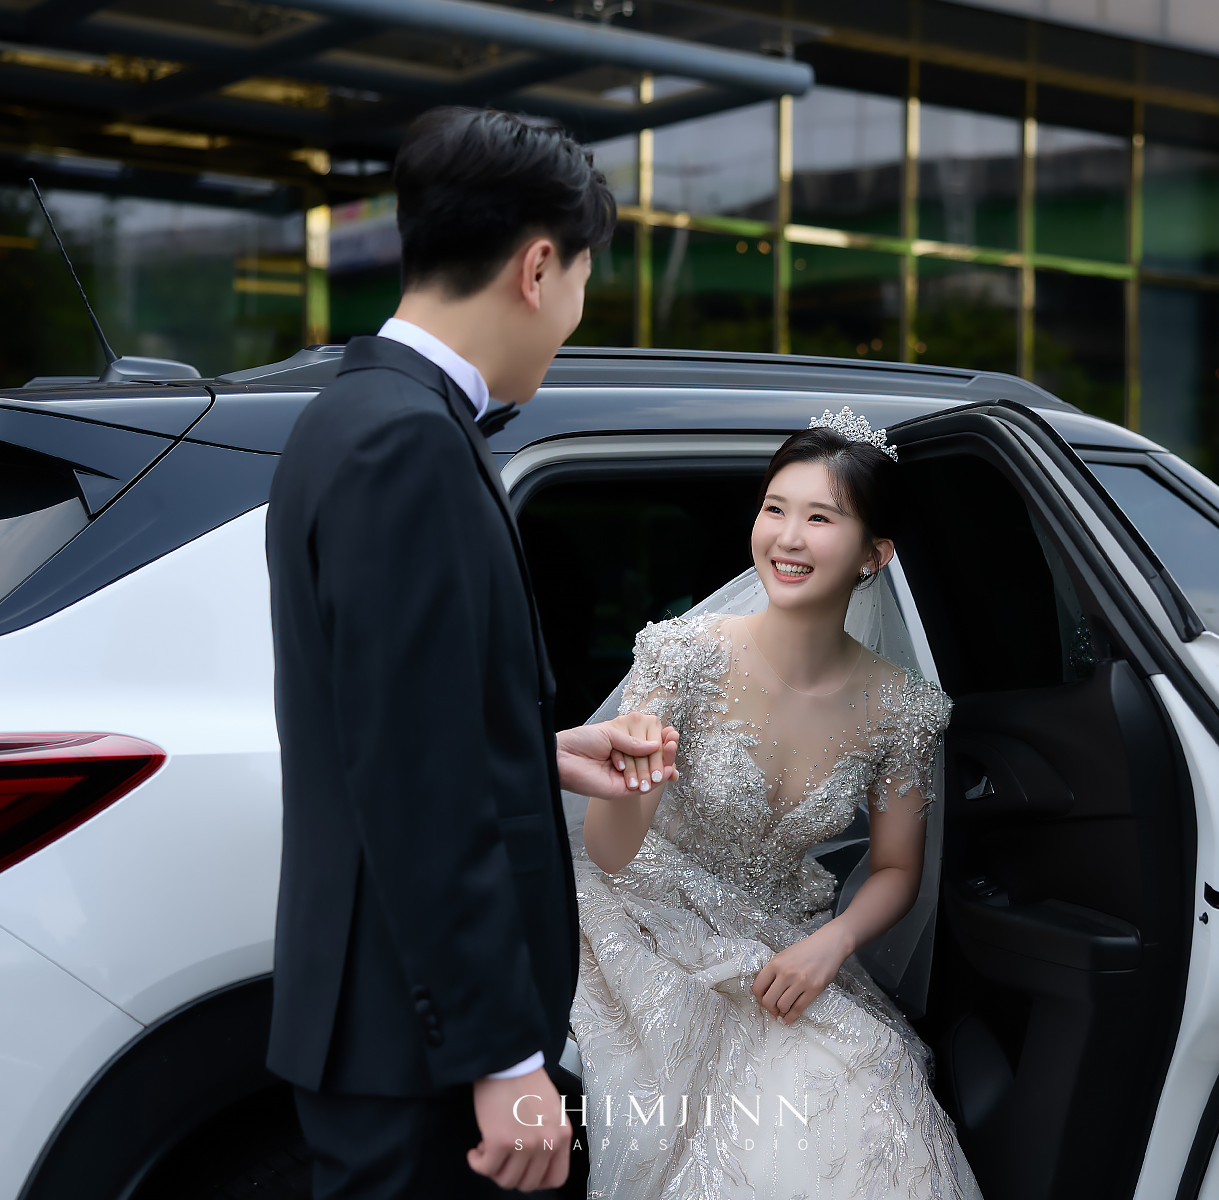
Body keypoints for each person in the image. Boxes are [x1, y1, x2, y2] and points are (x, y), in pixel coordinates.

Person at [265, 107, 677, 1198]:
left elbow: (396, 718)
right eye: (583, 281)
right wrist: (501, 1056)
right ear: (538, 268)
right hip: (421, 1051)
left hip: (394, 1033)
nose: (575, 318)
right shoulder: (408, 442)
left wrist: (537, 752)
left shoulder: (353, 415)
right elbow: (415, 782)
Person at [573, 412, 984, 1199]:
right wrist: (634, 783)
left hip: (782, 936)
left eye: (820, 518)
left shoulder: (904, 708)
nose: (787, 538)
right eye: (774, 508)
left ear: (874, 554)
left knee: (875, 1081)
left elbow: (897, 870)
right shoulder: (681, 655)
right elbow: (610, 853)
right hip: (644, 914)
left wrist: (833, 943)